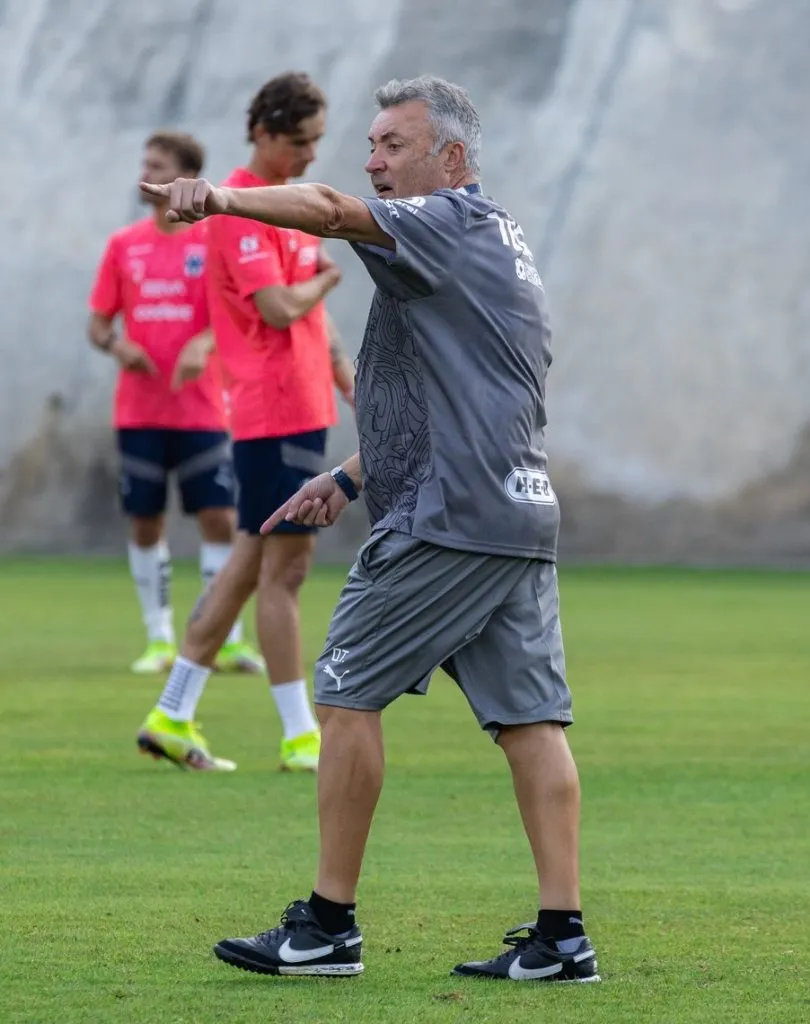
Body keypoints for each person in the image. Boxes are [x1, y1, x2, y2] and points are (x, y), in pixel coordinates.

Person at [141, 75, 600, 981]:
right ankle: (562, 938)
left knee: (345, 691)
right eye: (372, 143)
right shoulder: (491, 242)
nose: (371, 160)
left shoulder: (442, 224)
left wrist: (221, 197)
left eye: (393, 144)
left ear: (452, 158)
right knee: (530, 722)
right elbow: (480, 392)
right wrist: (352, 475)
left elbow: (321, 206)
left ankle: (326, 927)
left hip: (450, 517)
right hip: (512, 508)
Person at [136, 73, 356, 774]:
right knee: (281, 570)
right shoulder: (239, 208)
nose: (311, 157)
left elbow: (312, 321)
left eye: (317, 142)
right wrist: (323, 279)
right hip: (271, 408)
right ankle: (298, 736)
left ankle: (172, 712)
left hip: (301, 406)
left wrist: (351, 380)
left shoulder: (282, 207)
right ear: (262, 134)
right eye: (300, 142)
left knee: (251, 563)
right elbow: (279, 310)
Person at [88, 131, 263, 683]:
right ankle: (159, 638)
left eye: (157, 164)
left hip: (205, 409)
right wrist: (117, 345)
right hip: (139, 411)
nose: (147, 172)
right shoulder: (124, 244)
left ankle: (226, 638)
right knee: (144, 520)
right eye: (146, 162)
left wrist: (203, 342)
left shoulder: (211, 241)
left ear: (182, 175)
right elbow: (97, 323)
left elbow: (238, 313)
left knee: (220, 518)